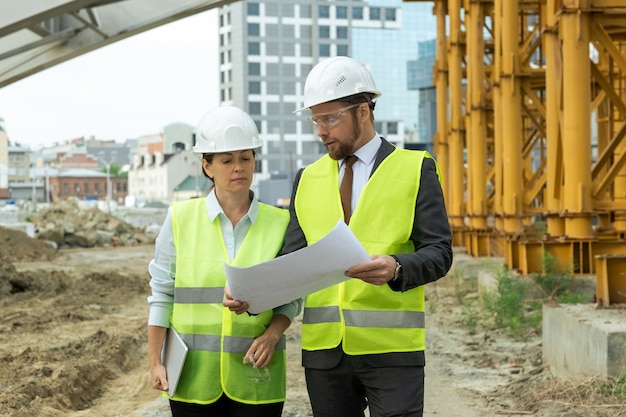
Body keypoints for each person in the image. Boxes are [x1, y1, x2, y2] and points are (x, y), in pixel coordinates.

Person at [280, 56, 453, 417]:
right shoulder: (306, 179)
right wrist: (254, 290)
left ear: (363, 111)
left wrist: (397, 268)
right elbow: (291, 260)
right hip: (324, 355)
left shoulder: (415, 169)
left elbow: (439, 252)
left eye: (330, 118)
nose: (321, 131)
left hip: (392, 350)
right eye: (316, 119)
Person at [147, 105, 302, 417]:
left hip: (256, 375)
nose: (238, 167)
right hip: (193, 378)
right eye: (227, 160)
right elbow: (162, 294)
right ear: (207, 166)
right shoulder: (179, 219)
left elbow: (293, 297)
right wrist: (155, 361)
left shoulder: (280, 222)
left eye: (245, 158)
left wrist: (272, 335)